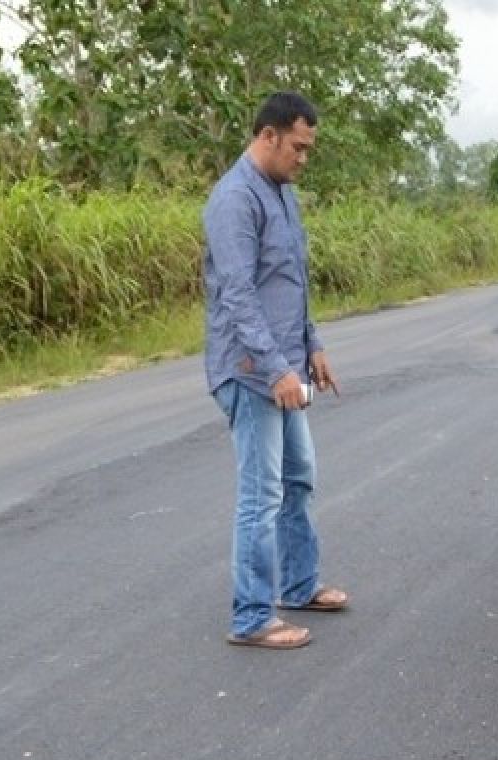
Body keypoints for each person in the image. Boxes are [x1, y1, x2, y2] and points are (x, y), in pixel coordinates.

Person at [203, 91, 348, 650]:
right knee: (262, 494)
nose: (303, 159)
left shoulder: (282, 194)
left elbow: (292, 282)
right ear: (268, 136)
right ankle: (251, 617)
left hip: (285, 365)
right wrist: (274, 369)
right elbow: (238, 296)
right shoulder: (235, 200)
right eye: (298, 147)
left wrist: (312, 345)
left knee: (298, 477)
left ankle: (298, 584)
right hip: (249, 370)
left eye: (308, 149)